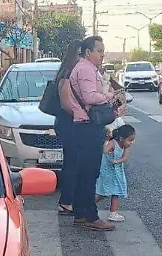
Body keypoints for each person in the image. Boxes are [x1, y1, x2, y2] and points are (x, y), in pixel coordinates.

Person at [67, 35, 124, 232]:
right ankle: (90, 216)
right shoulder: (84, 69)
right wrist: (109, 96)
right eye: (99, 51)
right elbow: (90, 97)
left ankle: (81, 213)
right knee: (90, 173)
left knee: (85, 172)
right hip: (87, 127)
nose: (102, 54)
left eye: (103, 51)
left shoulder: (88, 69)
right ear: (88, 52)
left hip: (86, 126)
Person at [53, 40, 83, 216]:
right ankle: (66, 202)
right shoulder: (67, 75)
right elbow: (66, 105)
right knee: (72, 163)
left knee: (74, 162)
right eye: (80, 54)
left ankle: (70, 200)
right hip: (67, 123)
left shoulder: (75, 73)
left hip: (71, 123)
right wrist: (85, 116)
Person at [96, 124, 135, 222]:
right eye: (130, 140)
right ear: (121, 138)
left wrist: (117, 161)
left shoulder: (125, 147)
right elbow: (104, 151)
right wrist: (106, 141)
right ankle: (89, 204)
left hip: (117, 171)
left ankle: (113, 212)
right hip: (107, 171)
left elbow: (125, 157)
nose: (131, 142)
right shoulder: (113, 143)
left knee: (116, 191)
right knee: (104, 192)